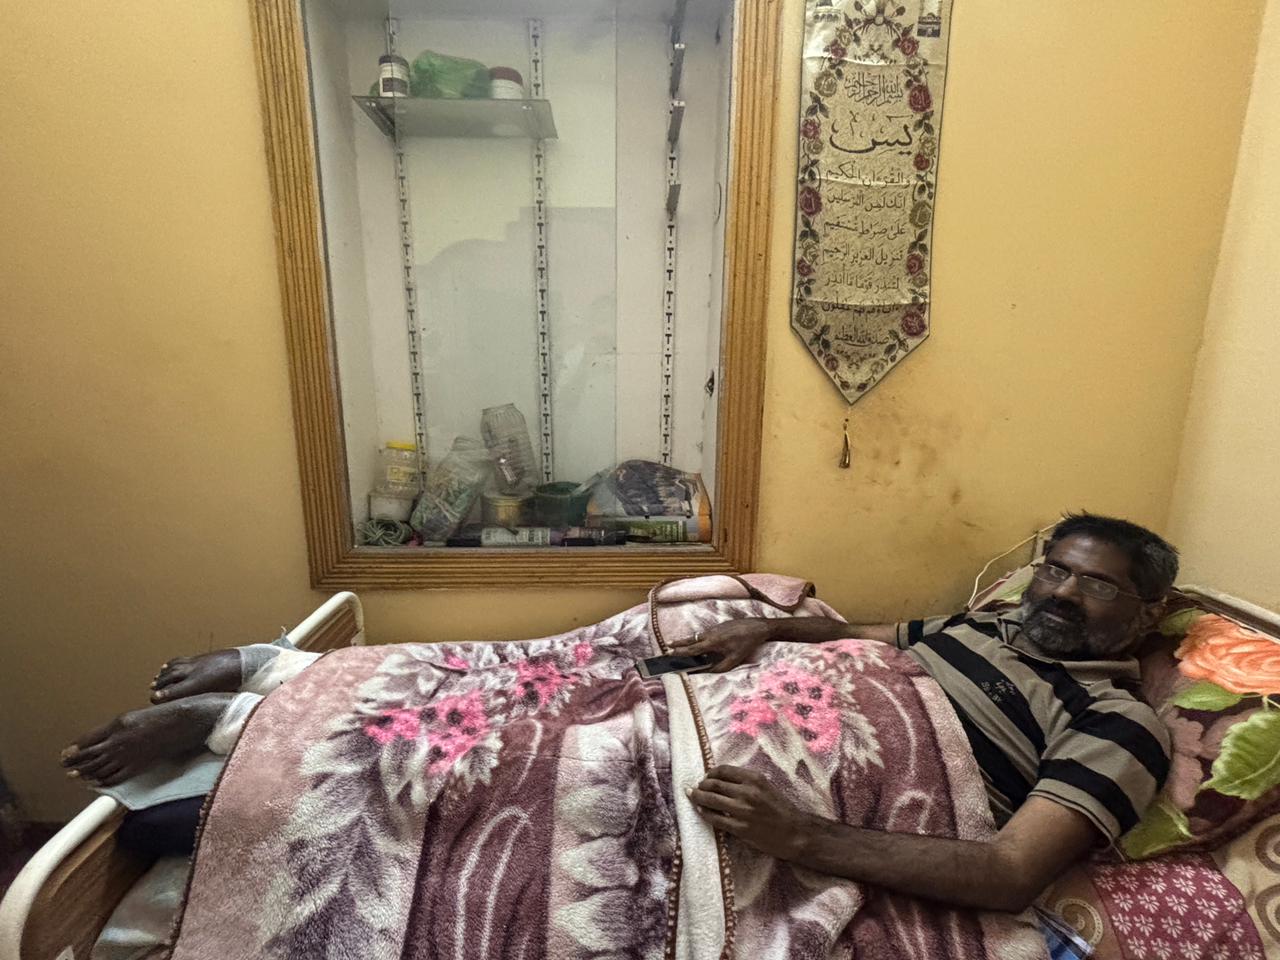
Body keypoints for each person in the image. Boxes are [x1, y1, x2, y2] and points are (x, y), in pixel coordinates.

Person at [676, 513, 1175, 917]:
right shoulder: (986, 623)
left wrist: (799, 835)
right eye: (1055, 570)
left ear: (1150, 612)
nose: (1063, 592)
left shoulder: (1117, 721)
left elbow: (1011, 873)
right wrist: (765, 629)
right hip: (734, 716)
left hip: (796, 799)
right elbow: (859, 634)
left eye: (1098, 585)